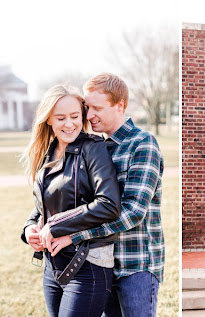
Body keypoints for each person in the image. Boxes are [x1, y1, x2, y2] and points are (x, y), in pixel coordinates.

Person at [46, 73, 165, 316]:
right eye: (87, 108)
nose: (89, 116)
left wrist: (75, 235)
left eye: (97, 108)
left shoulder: (142, 144)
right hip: (99, 264)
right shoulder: (93, 147)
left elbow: (133, 213)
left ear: (120, 105)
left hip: (135, 265)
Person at [20, 85, 121, 317]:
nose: (69, 124)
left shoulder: (93, 148)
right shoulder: (48, 152)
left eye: (75, 116)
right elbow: (41, 206)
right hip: (52, 267)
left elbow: (108, 204)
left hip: (89, 265)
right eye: (61, 118)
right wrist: (29, 229)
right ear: (48, 120)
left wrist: (55, 226)